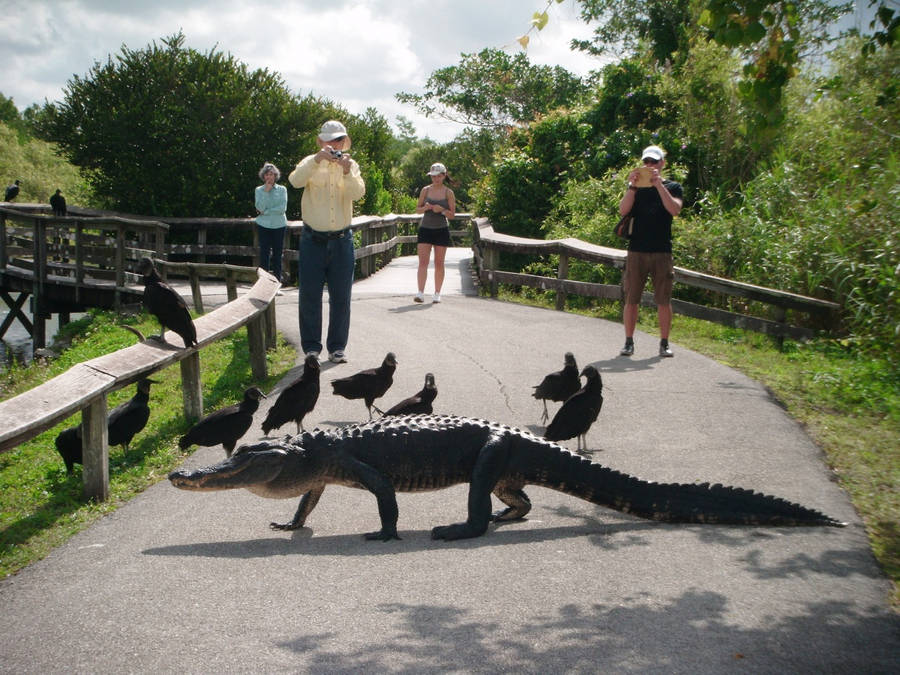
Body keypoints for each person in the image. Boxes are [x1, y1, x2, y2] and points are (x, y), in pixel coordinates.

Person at [288, 120, 365, 364]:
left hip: (342, 240)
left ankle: (337, 347)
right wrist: (316, 160)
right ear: (321, 142)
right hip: (313, 240)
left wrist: (345, 170)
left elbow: (358, 193)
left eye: (338, 140)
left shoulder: (351, 166)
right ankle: (311, 348)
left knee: (341, 297)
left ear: (344, 142)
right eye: (329, 140)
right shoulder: (310, 163)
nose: (334, 145)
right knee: (309, 296)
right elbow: (295, 181)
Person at [618, 145, 683, 358]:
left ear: (662, 163)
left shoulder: (673, 187)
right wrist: (632, 186)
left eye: (654, 162)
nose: (649, 166)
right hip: (636, 250)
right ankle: (628, 342)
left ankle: (664, 343)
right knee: (631, 298)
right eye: (646, 162)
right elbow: (623, 210)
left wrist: (658, 185)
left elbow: (674, 209)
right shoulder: (636, 189)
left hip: (662, 251)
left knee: (663, 299)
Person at [413, 162, 456, 304]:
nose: (435, 179)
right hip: (425, 228)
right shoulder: (425, 190)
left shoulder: (448, 193)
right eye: (433, 176)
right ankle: (420, 293)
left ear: (444, 176)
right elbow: (417, 209)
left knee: (439, 263)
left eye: (438, 176)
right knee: (423, 262)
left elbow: (452, 215)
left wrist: (442, 210)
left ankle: (437, 293)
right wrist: (425, 208)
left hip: (441, 230)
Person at [254, 162, 288, 289]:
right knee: (264, 254)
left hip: (279, 225)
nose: (270, 177)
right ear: (264, 176)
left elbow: (282, 208)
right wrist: (266, 192)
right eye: (267, 174)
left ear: (275, 176)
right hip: (264, 225)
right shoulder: (259, 190)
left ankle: (276, 285)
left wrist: (266, 212)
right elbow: (259, 207)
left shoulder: (282, 189)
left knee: (278, 255)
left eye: (272, 174)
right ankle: (263, 286)